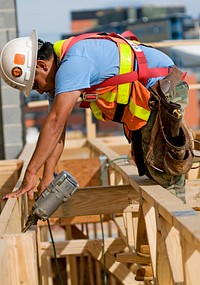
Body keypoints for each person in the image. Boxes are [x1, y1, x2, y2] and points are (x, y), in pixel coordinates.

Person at [0, 29, 189, 203]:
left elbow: (55, 123)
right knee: (147, 165)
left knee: (165, 169)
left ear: (42, 65)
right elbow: (57, 131)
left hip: (163, 90)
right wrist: (48, 174)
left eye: (35, 85)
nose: (39, 92)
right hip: (148, 97)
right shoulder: (59, 75)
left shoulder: (73, 63)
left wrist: (31, 173)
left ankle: (182, 224)